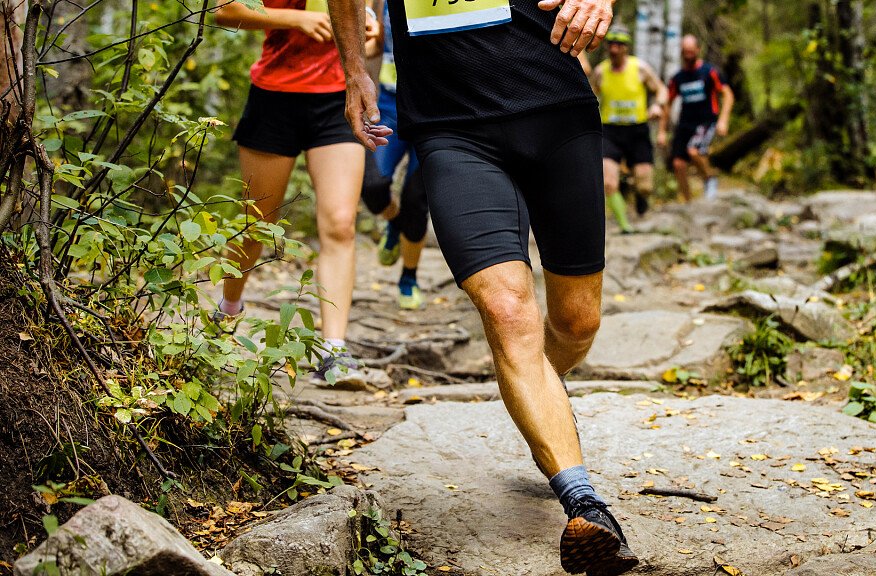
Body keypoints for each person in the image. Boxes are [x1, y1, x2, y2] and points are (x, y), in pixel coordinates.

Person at [328, 0, 640, 573]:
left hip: (555, 105)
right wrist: (354, 72)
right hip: (451, 128)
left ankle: (532, 388)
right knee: (506, 308)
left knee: (576, 323)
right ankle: (585, 503)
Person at [213, 0, 387, 384]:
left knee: (341, 223)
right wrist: (298, 19)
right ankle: (226, 311)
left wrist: (370, 40)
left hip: (338, 101)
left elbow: (371, 44)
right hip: (274, 96)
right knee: (258, 223)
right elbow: (224, 11)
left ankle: (334, 351)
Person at [360, 0, 429, 310]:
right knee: (372, 186)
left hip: (437, 113)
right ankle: (395, 222)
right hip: (389, 107)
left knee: (417, 199)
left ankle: (408, 279)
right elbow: (374, 45)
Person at [591, 27, 667, 233]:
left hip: (637, 132)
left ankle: (640, 194)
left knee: (645, 185)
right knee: (608, 182)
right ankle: (625, 225)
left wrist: (657, 105)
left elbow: (661, 89)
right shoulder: (600, 72)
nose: (614, 49)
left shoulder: (640, 68)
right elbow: (589, 98)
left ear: (626, 47)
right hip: (610, 132)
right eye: (611, 44)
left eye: (619, 45)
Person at [657, 34, 734, 202]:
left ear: (698, 50)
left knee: (694, 151)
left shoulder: (709, 72)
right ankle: (688, 203)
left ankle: (709, 179)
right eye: (685, 52)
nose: (688, 55)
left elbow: (727, 94)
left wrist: (723, 120)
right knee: (678, 164)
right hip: (685, 123)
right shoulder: (678, 78)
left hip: (706, 120)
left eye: (691, 51)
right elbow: (668, 104)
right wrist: (662, 131)